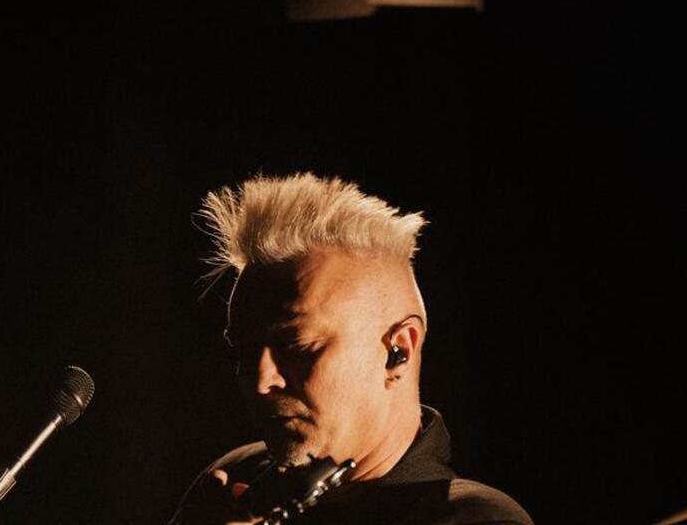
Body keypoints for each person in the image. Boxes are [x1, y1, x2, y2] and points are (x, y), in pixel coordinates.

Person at [169, 172, 533, 524]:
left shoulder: (479, 518)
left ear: (398, 351)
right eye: (245, 353)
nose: (261, 382)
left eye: (298, 345)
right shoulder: (236, 476)